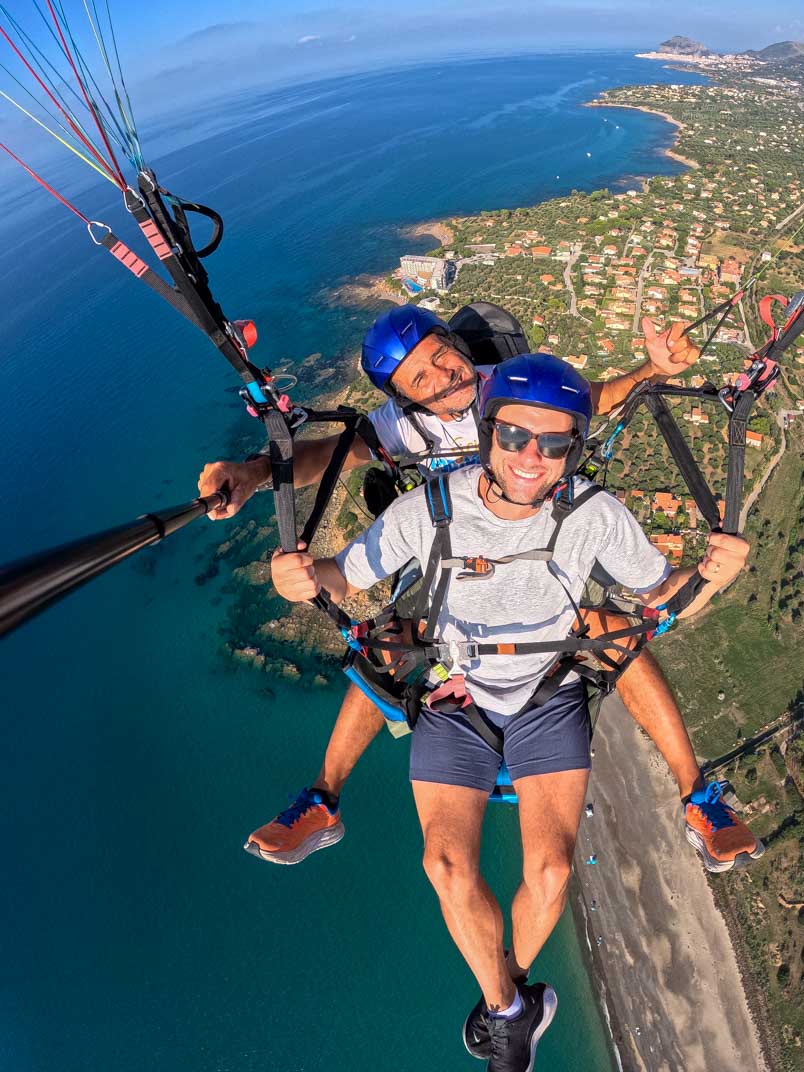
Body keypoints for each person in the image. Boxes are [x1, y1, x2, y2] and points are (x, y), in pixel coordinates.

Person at [270, 354, 754, 1070]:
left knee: (552, 870)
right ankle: (506, 1010)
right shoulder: (429, 509)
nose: (532, 458)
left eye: (554, 443)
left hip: (544, 695)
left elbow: (661, 593)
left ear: (574, 449)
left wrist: (711, 574)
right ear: (489, 432)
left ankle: (510, 999)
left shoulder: (592, 515)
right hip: (456, 695)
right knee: (444, 864)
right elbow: (346, 574)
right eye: (516, 437)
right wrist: (304, 576)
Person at [197, 304, 756, 873]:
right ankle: (323, 798)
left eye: (442, 356)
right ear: (404, 398)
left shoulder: (510, 387)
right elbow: (325, 456)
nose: (444, 376)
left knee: (615, 632)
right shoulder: (402, 425)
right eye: (421, 379)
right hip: (453, 551)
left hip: (539, 535)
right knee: (387, 642)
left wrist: (653, 369)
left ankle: (696, 797)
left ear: (456, 344)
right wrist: (254, 473)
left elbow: (597, 397)